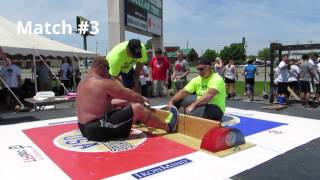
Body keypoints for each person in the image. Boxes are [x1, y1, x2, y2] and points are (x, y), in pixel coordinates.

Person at [76, 56, 178, 141]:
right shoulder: (102, 82)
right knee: (138, 108)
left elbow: (105, 103)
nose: (108, 74)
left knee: (124, 106)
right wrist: (142, 99)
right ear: (103, 67)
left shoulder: (83, 81)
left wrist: (126, 103)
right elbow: (128, 94)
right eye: (108, 70)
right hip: (97, 129)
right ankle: (168, 126)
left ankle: (136, 118)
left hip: (83, 127)